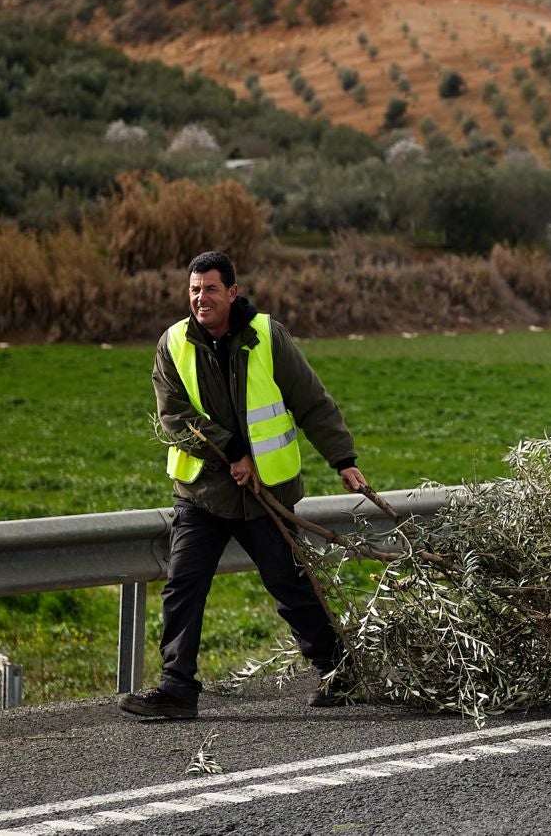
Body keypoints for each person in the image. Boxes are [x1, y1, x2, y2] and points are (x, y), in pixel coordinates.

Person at [119, 251, 368, 720]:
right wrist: (233, 452)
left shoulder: (268, 336)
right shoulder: (172, 344)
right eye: (194, 289)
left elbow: (311, 401)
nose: (200, 298)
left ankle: (340, 675)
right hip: (202, 493)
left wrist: (343, 460)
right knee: (184, 586)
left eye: (210, 289)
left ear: (232, 292)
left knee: (290, 585)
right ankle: (177, 690)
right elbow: (174, 417)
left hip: (266, 493)